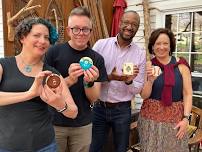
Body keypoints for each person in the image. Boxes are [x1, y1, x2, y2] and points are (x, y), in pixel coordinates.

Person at [0, 17, 78, 152]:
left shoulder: (52, 74)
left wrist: (59, 104)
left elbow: (73, 112)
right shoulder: (3, 65)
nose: (43, 41)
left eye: (47, 38)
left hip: (44, 146)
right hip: (7, 146)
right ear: (22, 37)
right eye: (36, 35)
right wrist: (30, 94)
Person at [44, 6, 108, 152]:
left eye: (85, 29)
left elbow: (93, 98)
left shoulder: (97, 59)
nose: (81, 33)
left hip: (83, 125)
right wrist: (69, 80)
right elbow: (45, 89)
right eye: (76, 29)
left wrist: (89, 81)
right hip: (54, 123)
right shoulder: (53, 53)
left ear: (90, 32)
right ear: (68, 30)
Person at [90, 10, 146, 152]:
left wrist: (128, 82)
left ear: (137, 28)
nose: (129, 27)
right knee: (94, 147)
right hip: (99, 108)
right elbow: (89, 76)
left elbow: (138, 88)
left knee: (120, 148)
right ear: (120, 23)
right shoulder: (100, 45)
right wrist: (109, 77)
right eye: (126, 22)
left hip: (122, 110)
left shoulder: (140, 54)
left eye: (134, 24)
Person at [138, 28, 192, 152]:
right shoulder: (148, 66)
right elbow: (144, 96)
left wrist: (186, 119)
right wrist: (150, 80)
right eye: (157, 43)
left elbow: (188, 94)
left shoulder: (181, 65)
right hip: (150, 121)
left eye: (165, 43)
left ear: (171, 45)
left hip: (175, 121)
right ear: (152, 46)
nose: (161, 47)